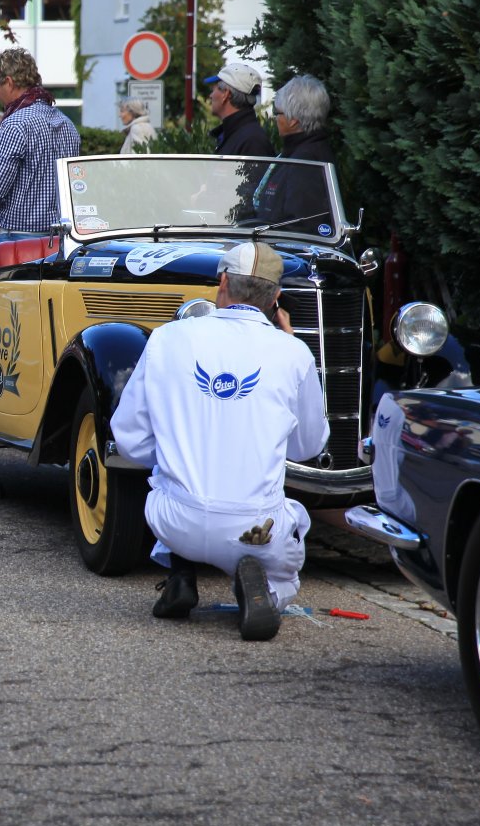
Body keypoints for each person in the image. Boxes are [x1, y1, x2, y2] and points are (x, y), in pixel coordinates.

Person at [110, 242, 328, 641]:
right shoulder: (294, 353)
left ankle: (179, 572)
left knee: (166, 480)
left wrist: (174, 455)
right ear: (276, 297)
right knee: (289, 542)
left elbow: (129, 437)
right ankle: (265, 590)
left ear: (223, 281)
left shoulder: (167, 338)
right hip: (256, 527)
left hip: (175, 520)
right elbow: (307, 447)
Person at [0, 49, 80, 236]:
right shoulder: (66, 123)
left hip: (19, 238)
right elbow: (40, 172)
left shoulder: (14, 124)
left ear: (9, 82)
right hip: (61, 238)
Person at [254, 74, 335, 230]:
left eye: (277, 112)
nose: (275, 118)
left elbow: (299, 225)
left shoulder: (306, 162)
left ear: (293, 120)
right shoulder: (298, 153)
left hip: (281, 245)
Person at [206, 62, 273, 157]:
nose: (210, 95)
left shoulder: (251, 141)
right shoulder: (239, 135)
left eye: (213, 90)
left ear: (226, 94)